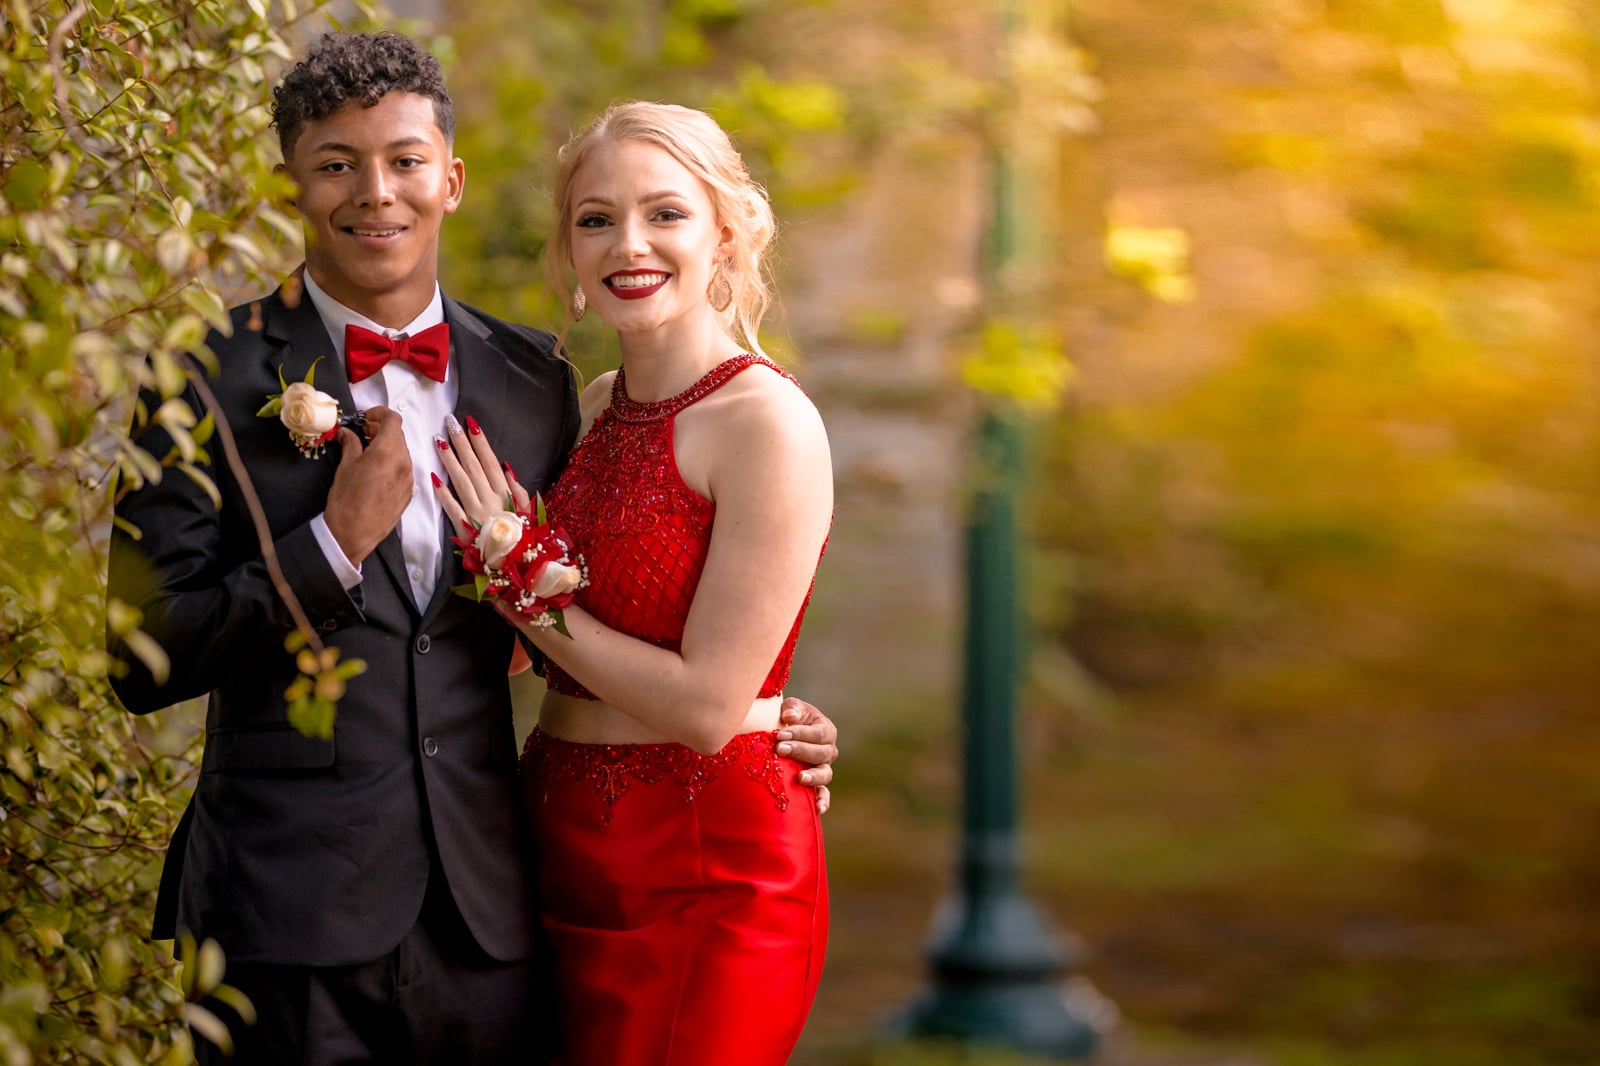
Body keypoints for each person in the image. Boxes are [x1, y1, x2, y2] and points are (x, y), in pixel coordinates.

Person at [105, 33, 839, 1065]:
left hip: (494, 914)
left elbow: (597, 615)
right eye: (335, 165)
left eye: (404, 160)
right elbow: (147, 655)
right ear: (293, 186)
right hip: (286, 912)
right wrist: (331, 544)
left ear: (449, 179)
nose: (376, 193)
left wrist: (768, 714)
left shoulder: (532, 385)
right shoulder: (202, 373)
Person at [436, 101, 833, 1066]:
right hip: (555, 838)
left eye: (666, 213)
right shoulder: (593, 410)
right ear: (569, 247)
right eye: (596, 218)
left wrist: (517, 582)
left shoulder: (767, 422)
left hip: (711, 868)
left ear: (726, 232)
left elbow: (705, 708)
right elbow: (565, 654)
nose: (629, 244)